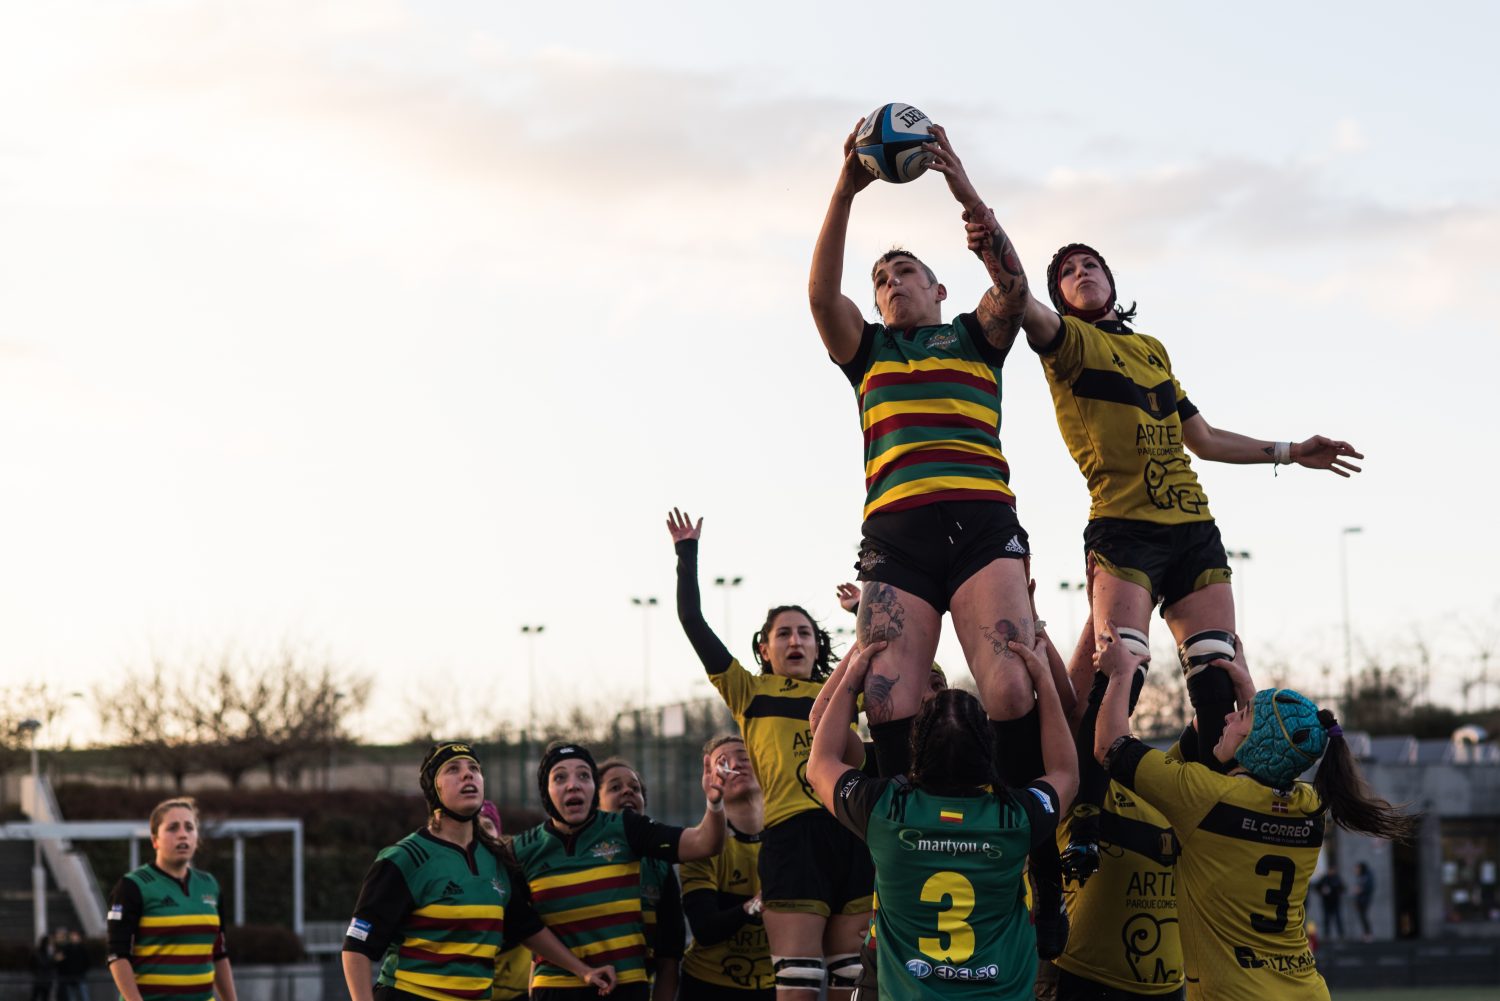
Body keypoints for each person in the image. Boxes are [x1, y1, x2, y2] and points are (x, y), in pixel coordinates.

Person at [958, 205, 1363, 882]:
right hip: (1123, 532)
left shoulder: (1154, 353)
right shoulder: (1067, 344)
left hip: (1194, 528)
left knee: (1215, 678)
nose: (1081, 271)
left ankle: (1212, 817)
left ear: (1113, 281)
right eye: (1068, 271)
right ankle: (1081, 819)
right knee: (1124, 670)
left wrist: (1293, 451)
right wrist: (979, 218)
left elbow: (1201, 440)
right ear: (1060, 295)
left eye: (1091, 263)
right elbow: (1016, 295)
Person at [1092, 623, 1417, 1000]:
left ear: (1256, 745)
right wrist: (1250, 692)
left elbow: (1108, 746)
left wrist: (1121, 672)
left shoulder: (1205, 795)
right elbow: (1274, 747)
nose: (1227, 719)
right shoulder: (1309, 808)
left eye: (1240, 716)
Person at [667, 509, 873, 998]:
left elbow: (904, 669)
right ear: (763, 648)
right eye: (783, 633)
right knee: (800, 980)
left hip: (849, 833)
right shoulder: (749, 691)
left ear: (817, 644)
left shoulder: (840, 690)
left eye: (804, 632)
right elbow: (692, 621)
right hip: (792, 836)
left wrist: (863, 614)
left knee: (846, 977)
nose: (795, 640)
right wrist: (686, 554)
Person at [808, 636, 1076, 1000]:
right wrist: (1042, 681)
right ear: (988, 746)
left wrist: (855, 670)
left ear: (915, 743)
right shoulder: (1014, 817)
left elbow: (820, 763)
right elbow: (1065, 774)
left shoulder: (886, 810)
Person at [343, 742, 615, 1001]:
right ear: (433, 788)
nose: (467, 775)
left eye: (474, 769)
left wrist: (583, 970)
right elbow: (356, 949)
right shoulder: (405, 859)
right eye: (453, 769)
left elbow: (527, 929)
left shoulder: (496, 861)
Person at [514, 740, 725, 1001]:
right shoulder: (522, 849)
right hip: (555, 990)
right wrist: (580, 971)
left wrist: (714, 803)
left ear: (592, 789)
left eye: (583, 775)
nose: (573, 784)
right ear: (545, 791)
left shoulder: (627, 829)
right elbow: (523, 926)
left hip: (625, 987)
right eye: (560, 777)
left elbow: (706, 843)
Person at [106, 798, 237, 1001]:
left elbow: (219, 953)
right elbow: (117, 955)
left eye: (189, 827)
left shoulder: (210, 885)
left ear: (196, 837)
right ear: (154, 840)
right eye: (172, 828)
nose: (183, 834)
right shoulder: (132, 886)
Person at [679, 735, 774, 1001]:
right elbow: (706, 929)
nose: (737, 765)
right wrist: (754, 905)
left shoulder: (790, 837)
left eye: (745, 758)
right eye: (724, 762)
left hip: (772, 986)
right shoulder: (700, 846)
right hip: (707, 985)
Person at [598, 758, 686, 1001]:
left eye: (635, 789)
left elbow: (669, 956)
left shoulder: (659, 865)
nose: (627, 791)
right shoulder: (574, 859)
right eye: (615, 787)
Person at [475, 801, 532, 1001]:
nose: (480, 833)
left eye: (487, 826)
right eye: (473, 827)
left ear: (498, 835)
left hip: (519, 992)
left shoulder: (518, 873)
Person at [1313, 867, 1347, 941]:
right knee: (1326, 919)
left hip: (1335, 902)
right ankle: (1327, 935)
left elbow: (1343, 888)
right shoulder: (1324, 878)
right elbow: (1316, 887)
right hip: (1326, 903)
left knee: (1338, 919)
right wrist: (1322, 891)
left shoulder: (1337, 878)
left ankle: (1341, 934)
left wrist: (1336, 891)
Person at [56, 929, 88, 1001]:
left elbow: (86, 962)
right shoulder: (67, 948)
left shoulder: (82, 948)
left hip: (79, 976)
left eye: (75, 936)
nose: (74, 938)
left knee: (83, 994)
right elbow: (61, 961)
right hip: (71, 976)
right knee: (73, 996)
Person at [1353, 862, 1375, 941]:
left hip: (1365, 899)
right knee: (1362, 917)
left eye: (1357, 868)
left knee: (1364, 916)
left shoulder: (1367, 876)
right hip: (1360, 900)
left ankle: (1369, 934)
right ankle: (1366, 933)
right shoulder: (1361, 876)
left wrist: (1360, 890)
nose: (1355, 870)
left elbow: (1369, 887)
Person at [29, 934, 55, 1001]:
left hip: (44, 978)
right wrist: (54, 960)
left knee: (43, 997)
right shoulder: (40, 952)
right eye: (50, 942)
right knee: (37, 996)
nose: (52, 943)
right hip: (41, 978)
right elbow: (43, 964)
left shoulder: (47, 952)